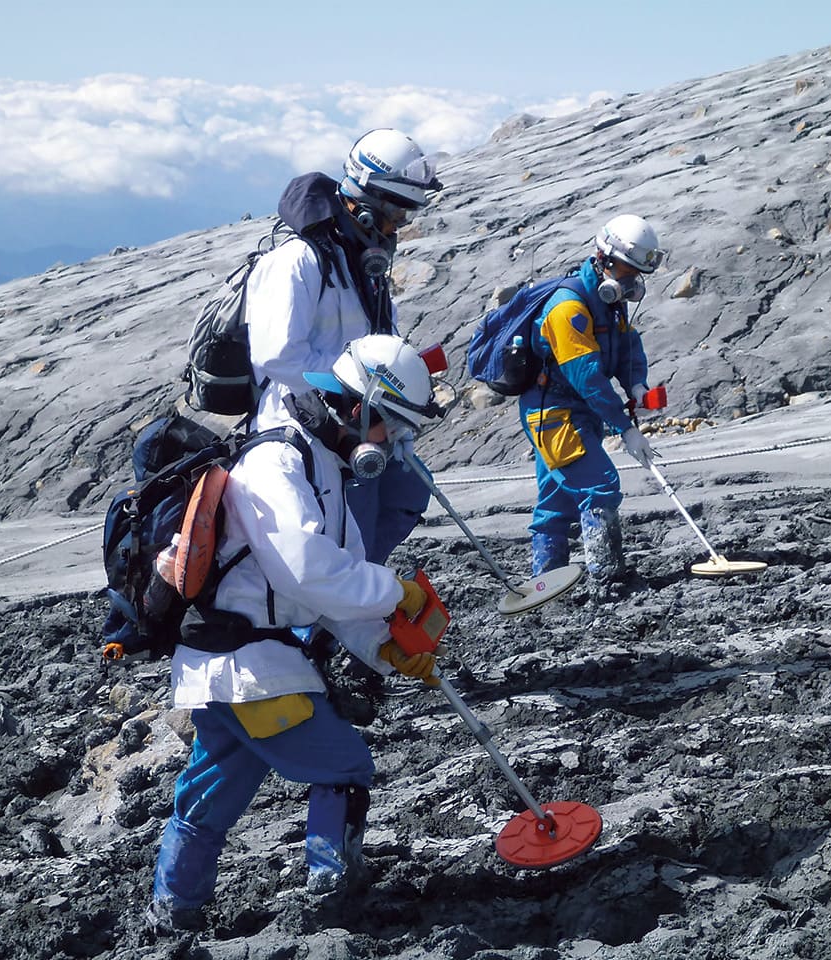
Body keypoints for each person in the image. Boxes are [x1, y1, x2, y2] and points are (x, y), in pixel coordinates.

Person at [147, 334, 445, 936]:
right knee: (344, 766)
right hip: (248, 668)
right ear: (360, 409)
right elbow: (306, 571)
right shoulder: (277, 463)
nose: (396, 445)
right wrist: (397, 593)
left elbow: (337, 590)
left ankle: (173, 910)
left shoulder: (326, 470)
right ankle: (331, 895)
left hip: (226, 670)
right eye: (394, 428)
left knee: (213, 791)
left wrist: (384, 649)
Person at [244, 128, 444, 564]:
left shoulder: (364, 265)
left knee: (406, 493)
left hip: (364, 422)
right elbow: (277, 356)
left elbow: (380, 341)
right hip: (310, 426)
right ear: (365, 204)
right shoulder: (298, 260)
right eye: (395, 212)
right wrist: (351, 389)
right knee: (342, 532)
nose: (399, 226)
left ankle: (357, 588)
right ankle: (333, 613)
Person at [518, 214, 667, 591]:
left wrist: (636, 384)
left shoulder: (608, 303)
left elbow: (627, 344)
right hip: (551, 412)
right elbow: (586, 377)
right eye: (628, 270)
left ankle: (545, 585)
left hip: (573, 411)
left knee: (556, 500)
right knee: (599, 485)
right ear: (603, 258)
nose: (632, 281)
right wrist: (627, 429)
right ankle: (607, 578)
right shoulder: (568, 308)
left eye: (637, 274)